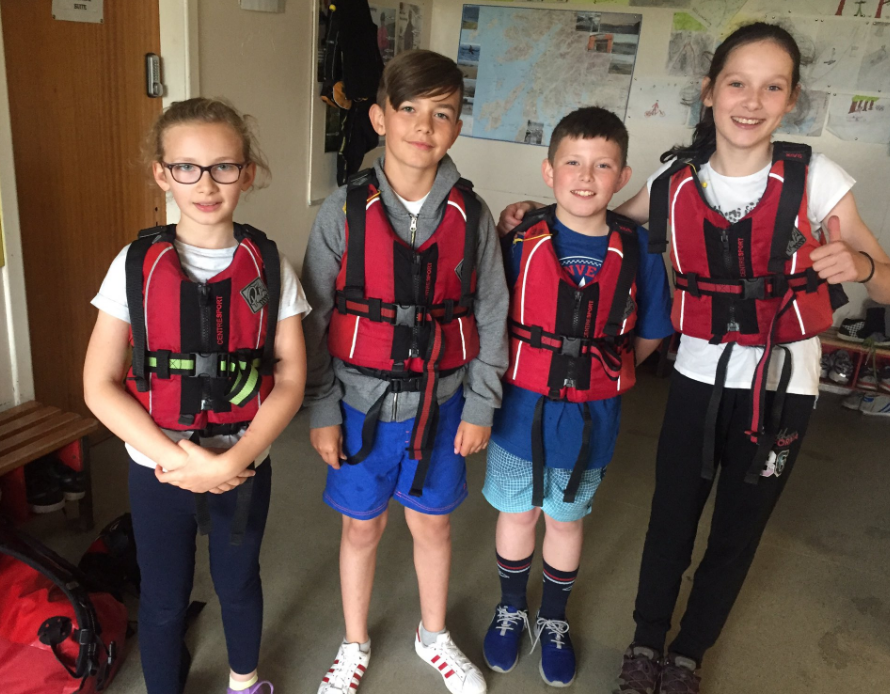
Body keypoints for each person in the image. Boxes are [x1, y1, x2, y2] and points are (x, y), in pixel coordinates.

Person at [498, 23, 890, 694]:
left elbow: (883, 281)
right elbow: (600, 217)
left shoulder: (817, 178)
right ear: (710, 91)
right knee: (670, 521)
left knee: (738, 528)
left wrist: (861, 265)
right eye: (737, 83)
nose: (751, 101)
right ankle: (645, 644)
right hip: (697, 377)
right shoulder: (675, 181)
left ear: (792, 99)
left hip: (783, 386)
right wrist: (534, 214)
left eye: (772, 87)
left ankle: (687, 654)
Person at [84, 97, 308, 694]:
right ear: (163, 173)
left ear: (247, 173)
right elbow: (98, 384)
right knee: (163, 597)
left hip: (244, 464)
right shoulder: (133, 266)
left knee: (238, 582)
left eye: (223, 167)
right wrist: (177, 459)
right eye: (187, 167)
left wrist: (236, 459)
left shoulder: (271, 267)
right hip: (156, 467)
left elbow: (290, 377)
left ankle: (245, 682)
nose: (206, 184)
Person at [302, 49, 508, 694]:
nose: (424, 125)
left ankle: (433, 635)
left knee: (434, 525)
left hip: (443, 406)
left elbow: (493, 310)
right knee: (361, 528)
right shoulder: (341, 210)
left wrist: (481, 403)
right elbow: (314, 317)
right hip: (358, 409)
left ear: (457, 127)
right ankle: (354, 642)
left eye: (442, 113)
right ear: (379, 118)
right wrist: (322, 407)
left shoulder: (472, 214)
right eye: (409, 108)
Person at [481, 107, 673, 687]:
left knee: (565, 521)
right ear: (549, 171)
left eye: (602, 166)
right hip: (519, 406)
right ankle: (511, 606)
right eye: (573, 162)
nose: (586, 177)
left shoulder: (639, 250)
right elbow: (489, 314)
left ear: (623, 176)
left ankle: (554, 617)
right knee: (517, 513)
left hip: (593, 414)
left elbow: (651, 330)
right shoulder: (519, 238)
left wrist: (603, 371)